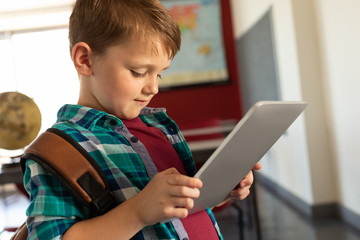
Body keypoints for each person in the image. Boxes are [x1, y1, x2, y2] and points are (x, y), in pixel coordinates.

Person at [23, 0, 261, 239]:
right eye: (138, 72)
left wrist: (221, 188)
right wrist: (137, 213)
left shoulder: (160, 128)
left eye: (159, 73)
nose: (154, 87)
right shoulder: (58, 150)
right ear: (85, 59)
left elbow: (183, 207)